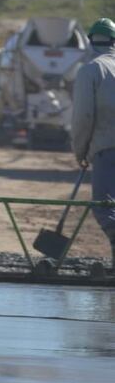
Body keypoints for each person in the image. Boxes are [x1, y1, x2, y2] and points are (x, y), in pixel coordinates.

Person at [71, 17, 115, 266]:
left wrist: (81, 151)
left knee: (105, 207)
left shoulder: (90, 70)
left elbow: (83, 117)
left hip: (107, 151)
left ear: (90, 41)